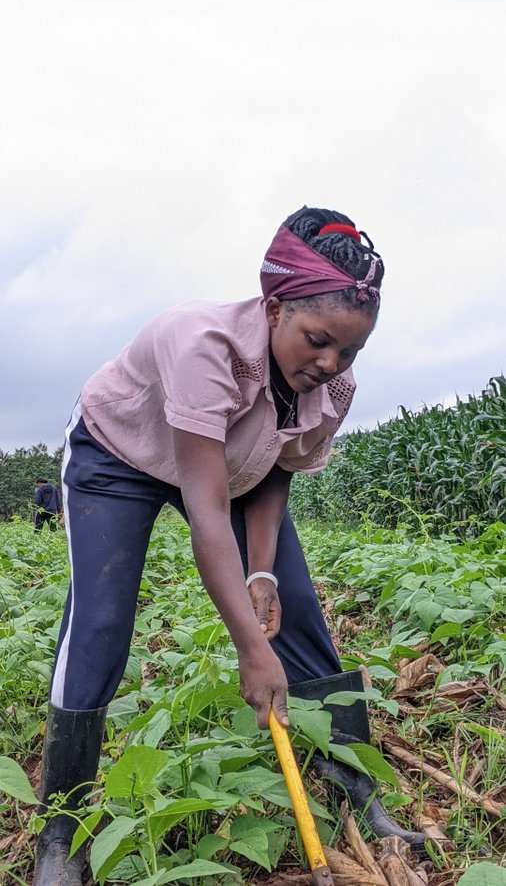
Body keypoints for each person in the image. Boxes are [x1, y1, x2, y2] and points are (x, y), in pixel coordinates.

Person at [34, 205, 426, 885]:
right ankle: (60, 837)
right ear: (274, 309)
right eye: (316, 340)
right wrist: (251, 649)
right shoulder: (203, 344)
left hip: (239, 467)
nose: (330, 362)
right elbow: (208, 510)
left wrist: (265, 574)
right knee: (98, 624)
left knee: (299, 611)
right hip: (120, 452)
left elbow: (273, 474)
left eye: (350, 350)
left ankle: (359, 800)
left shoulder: (333, 387)